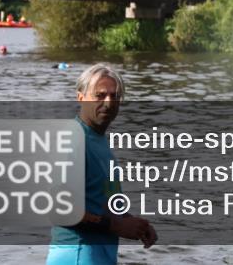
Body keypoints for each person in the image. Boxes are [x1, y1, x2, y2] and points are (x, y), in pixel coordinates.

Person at [47, 64, 157, 264]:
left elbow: (102, 202)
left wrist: (135, 224)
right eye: (100, 95)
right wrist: (116, 226)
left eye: (114, 96)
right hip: (77, 253)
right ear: (81, 97)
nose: (108, 102)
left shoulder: (98, 141)